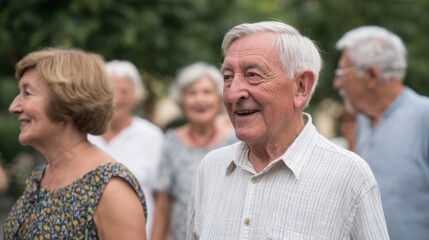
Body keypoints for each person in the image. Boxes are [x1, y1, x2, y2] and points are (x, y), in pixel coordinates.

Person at [187, 21, 389, 240]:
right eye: (227, 77)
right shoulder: (211, 168)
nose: (233, 93)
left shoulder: (349, 175)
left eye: (253, 75)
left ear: (301, 86)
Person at [4, 48, 147, 239]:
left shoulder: (111, 190)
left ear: (66, 100)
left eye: (27, 93)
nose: (14, 107)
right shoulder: (40, 176)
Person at [334, 26, 429, 240]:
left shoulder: (424, 116)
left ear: (370, 75)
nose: (337, 83)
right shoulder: (362, 122)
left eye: (342, 73)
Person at [151, 62, 237, 240]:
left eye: (207, 92)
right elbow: (162, 206)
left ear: (219, 97)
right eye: (192, 93)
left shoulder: (236, 141)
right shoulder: (171, 142)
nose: (200, 100)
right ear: (181, 100)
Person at [88, 60, 164, 238]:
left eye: (124, 91)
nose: (117, 99)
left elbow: (162, 199)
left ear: (136, 95)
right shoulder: (84, 135)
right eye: (110, 91)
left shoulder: (152, 136)